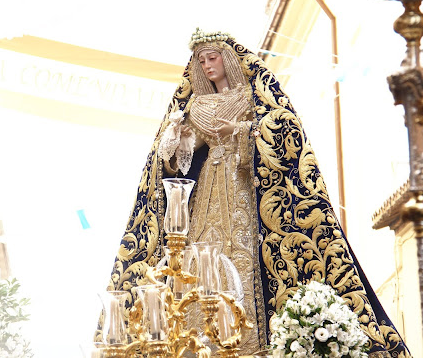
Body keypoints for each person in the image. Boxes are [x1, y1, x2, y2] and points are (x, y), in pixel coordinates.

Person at [101, 29, 410, 357]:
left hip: (243, 188)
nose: (207, 66)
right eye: (201, 61)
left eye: (213, 58)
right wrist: (175, 138)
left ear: (228, 58)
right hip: (207, 190)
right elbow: (179, 161)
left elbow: (282, 129)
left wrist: (239, 130)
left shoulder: (253, 96)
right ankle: (199, 340)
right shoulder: (197, 105)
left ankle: (247, 339)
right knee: (200, 258)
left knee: (242, 256)